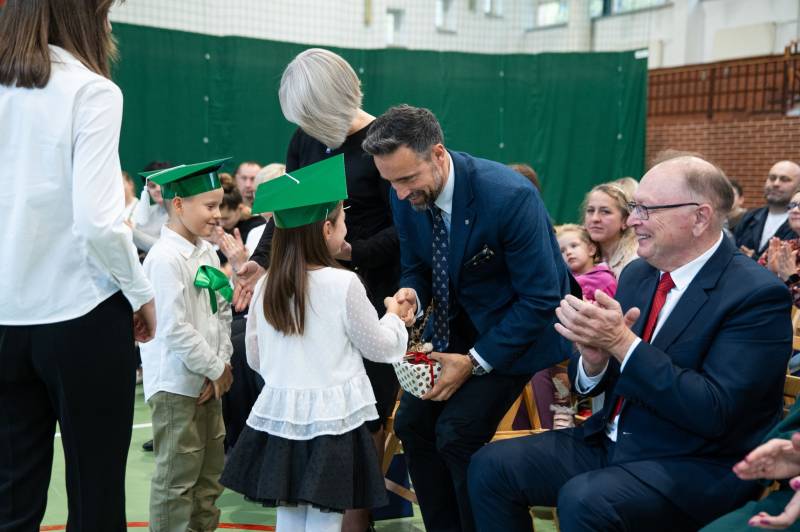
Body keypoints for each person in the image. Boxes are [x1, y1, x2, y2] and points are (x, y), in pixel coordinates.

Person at [468, 154, 792, 531]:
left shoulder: (756, 294)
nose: (633, 220)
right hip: (615, 440)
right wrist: (594, 362)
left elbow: (716, 412)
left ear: (700, 217)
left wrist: (623, 344)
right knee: (490, 465)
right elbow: (597, 379)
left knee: (585, 500)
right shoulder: (640, 274)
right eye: (634, 207)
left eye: (646, 209)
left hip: (697, 463)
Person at [361, 104, 572, 532]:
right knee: (412, 425)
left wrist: (474, 361)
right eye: (390, 182)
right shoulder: (404, 193)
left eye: (407, 179)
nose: (399, 194)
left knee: (456, 434)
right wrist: (411, 296)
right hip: (457, 328)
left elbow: (540, 299)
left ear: (438, 154)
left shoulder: (510, 196)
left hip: (517, 331)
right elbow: (416, 267)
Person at [0, 1, 156, 529]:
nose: (108, 23)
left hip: (6, 319)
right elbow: (99, 222)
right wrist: (140, 293)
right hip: (81, 315)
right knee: (96, 496)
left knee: (10, 499)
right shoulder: (92, 91)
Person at [234, 48, 401, 531]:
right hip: (312, 296)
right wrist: (261, 262)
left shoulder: (382, 142)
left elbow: (405, 230)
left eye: (310, 116)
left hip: (367, 290)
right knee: (311, 413)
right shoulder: (304, 141)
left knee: (364, 418)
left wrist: (353, 252)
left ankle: (355, 519)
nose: (305, 127)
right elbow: (287, 214)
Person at [220, 156, 412, 532]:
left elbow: (255, 356)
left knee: (290, 514)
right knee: (326, 518)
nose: (346, 228)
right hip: (334, 425)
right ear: (326, 229)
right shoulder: (344, 283)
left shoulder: (266, 285)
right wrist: (393, 315)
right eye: (343, 221)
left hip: (282, 419)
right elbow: (381, 348)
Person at [139, 158, 234, 532]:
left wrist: (221, 365)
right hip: (177, 387)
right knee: (176, 482)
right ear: (179, 204)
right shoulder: (164, 259)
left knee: (209, 480)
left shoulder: (206, 252)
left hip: (209, 382)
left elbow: (221, 309)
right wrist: (216, 368)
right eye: (209, 206)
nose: (217, 215)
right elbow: (172, 328)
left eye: (219, 205)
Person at [531, 224, 618, 429]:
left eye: (574, 245)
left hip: (588, 343)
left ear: (591, 249)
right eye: (562, 250)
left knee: (560, 367)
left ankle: (564, 412)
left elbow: (605, 311)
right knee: (554, 370)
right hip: (566, 339)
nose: (568, 252)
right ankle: (561, 410)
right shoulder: (566, 281)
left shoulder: (603, 278)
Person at [734, 160, 800, 258]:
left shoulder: (797, 223)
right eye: (772, 178)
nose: (776, 183)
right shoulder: (749, 218)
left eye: (784, 179)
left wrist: (756, 260)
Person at [582, 183, 638, 278]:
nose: (595, 218)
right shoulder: (580, 257)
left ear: (625, 220)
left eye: (605, 212)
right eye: (590, 210)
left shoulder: (635, 260)